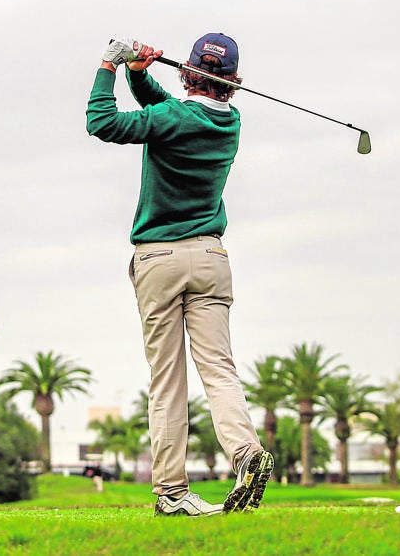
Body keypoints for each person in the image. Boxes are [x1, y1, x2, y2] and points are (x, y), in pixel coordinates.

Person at [87, 34, 274, 517]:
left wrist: (110, 66)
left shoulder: (174, 119)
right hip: (211, 258)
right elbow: (170, 112)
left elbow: (101, 122)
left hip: (159, 260)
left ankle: (171, 492)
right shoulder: (229, 123)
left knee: (167, 379)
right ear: (231, 82)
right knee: (219, 369)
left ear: (188, 71)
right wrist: (138, 76)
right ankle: (246, 453)